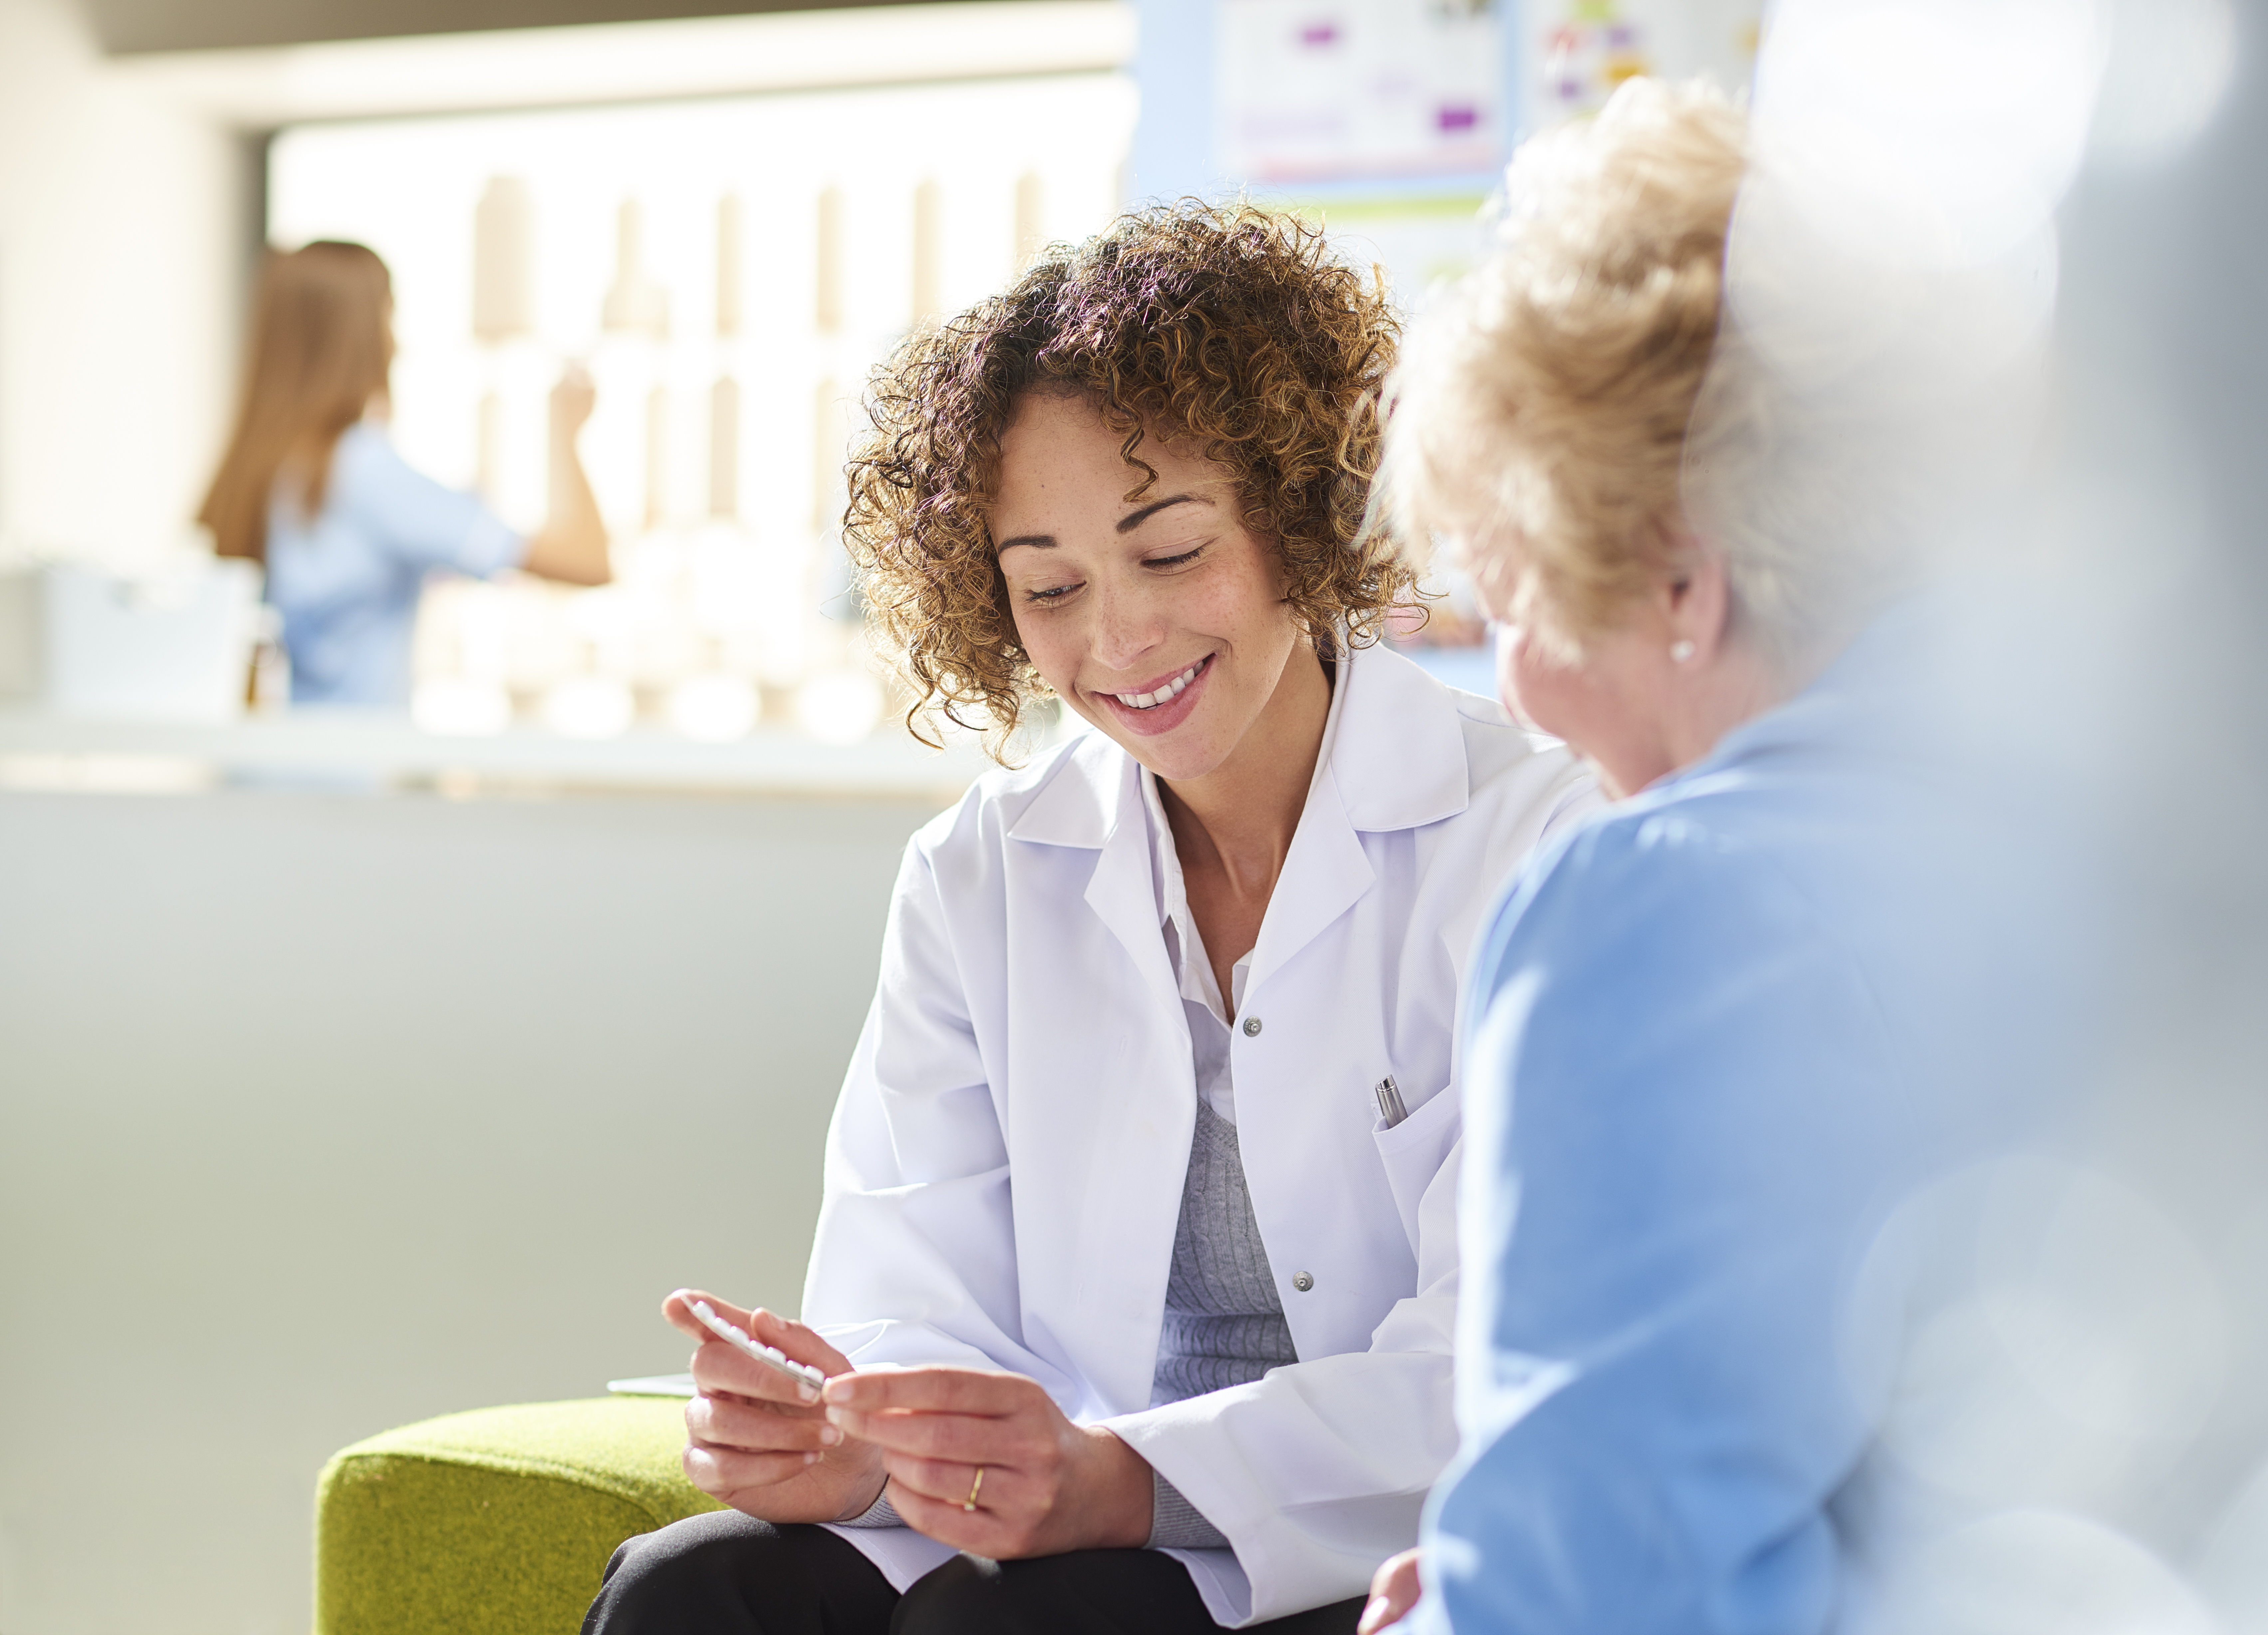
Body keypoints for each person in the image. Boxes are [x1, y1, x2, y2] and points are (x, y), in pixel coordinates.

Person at [583, 204, 1597, 1635]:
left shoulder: (1529, 835)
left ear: (1298, 514)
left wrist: (1124, 1476)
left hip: (1365, 1541)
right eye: (1049, 587)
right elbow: (908, 1297)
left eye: (1171, 552)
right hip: (1067, 1531)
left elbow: (1497, 1358)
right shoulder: (979, 875)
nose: (1116, 641)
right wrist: (853, 1437)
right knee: (692, 1597)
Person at [1357, 81, 2086, 1634]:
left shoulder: (1666, 906)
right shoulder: (2135, 835)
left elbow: (1592, 1603)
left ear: (1681, 572)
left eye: (1513, 605)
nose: (1516, 690)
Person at [196, 240, 610, 706]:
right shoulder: (366, 473)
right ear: (364, 334)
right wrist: (567, 435)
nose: (397, 341)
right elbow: (590, 562)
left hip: (266, 769)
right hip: (348, 775)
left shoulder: (263, 471)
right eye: (389, 316)